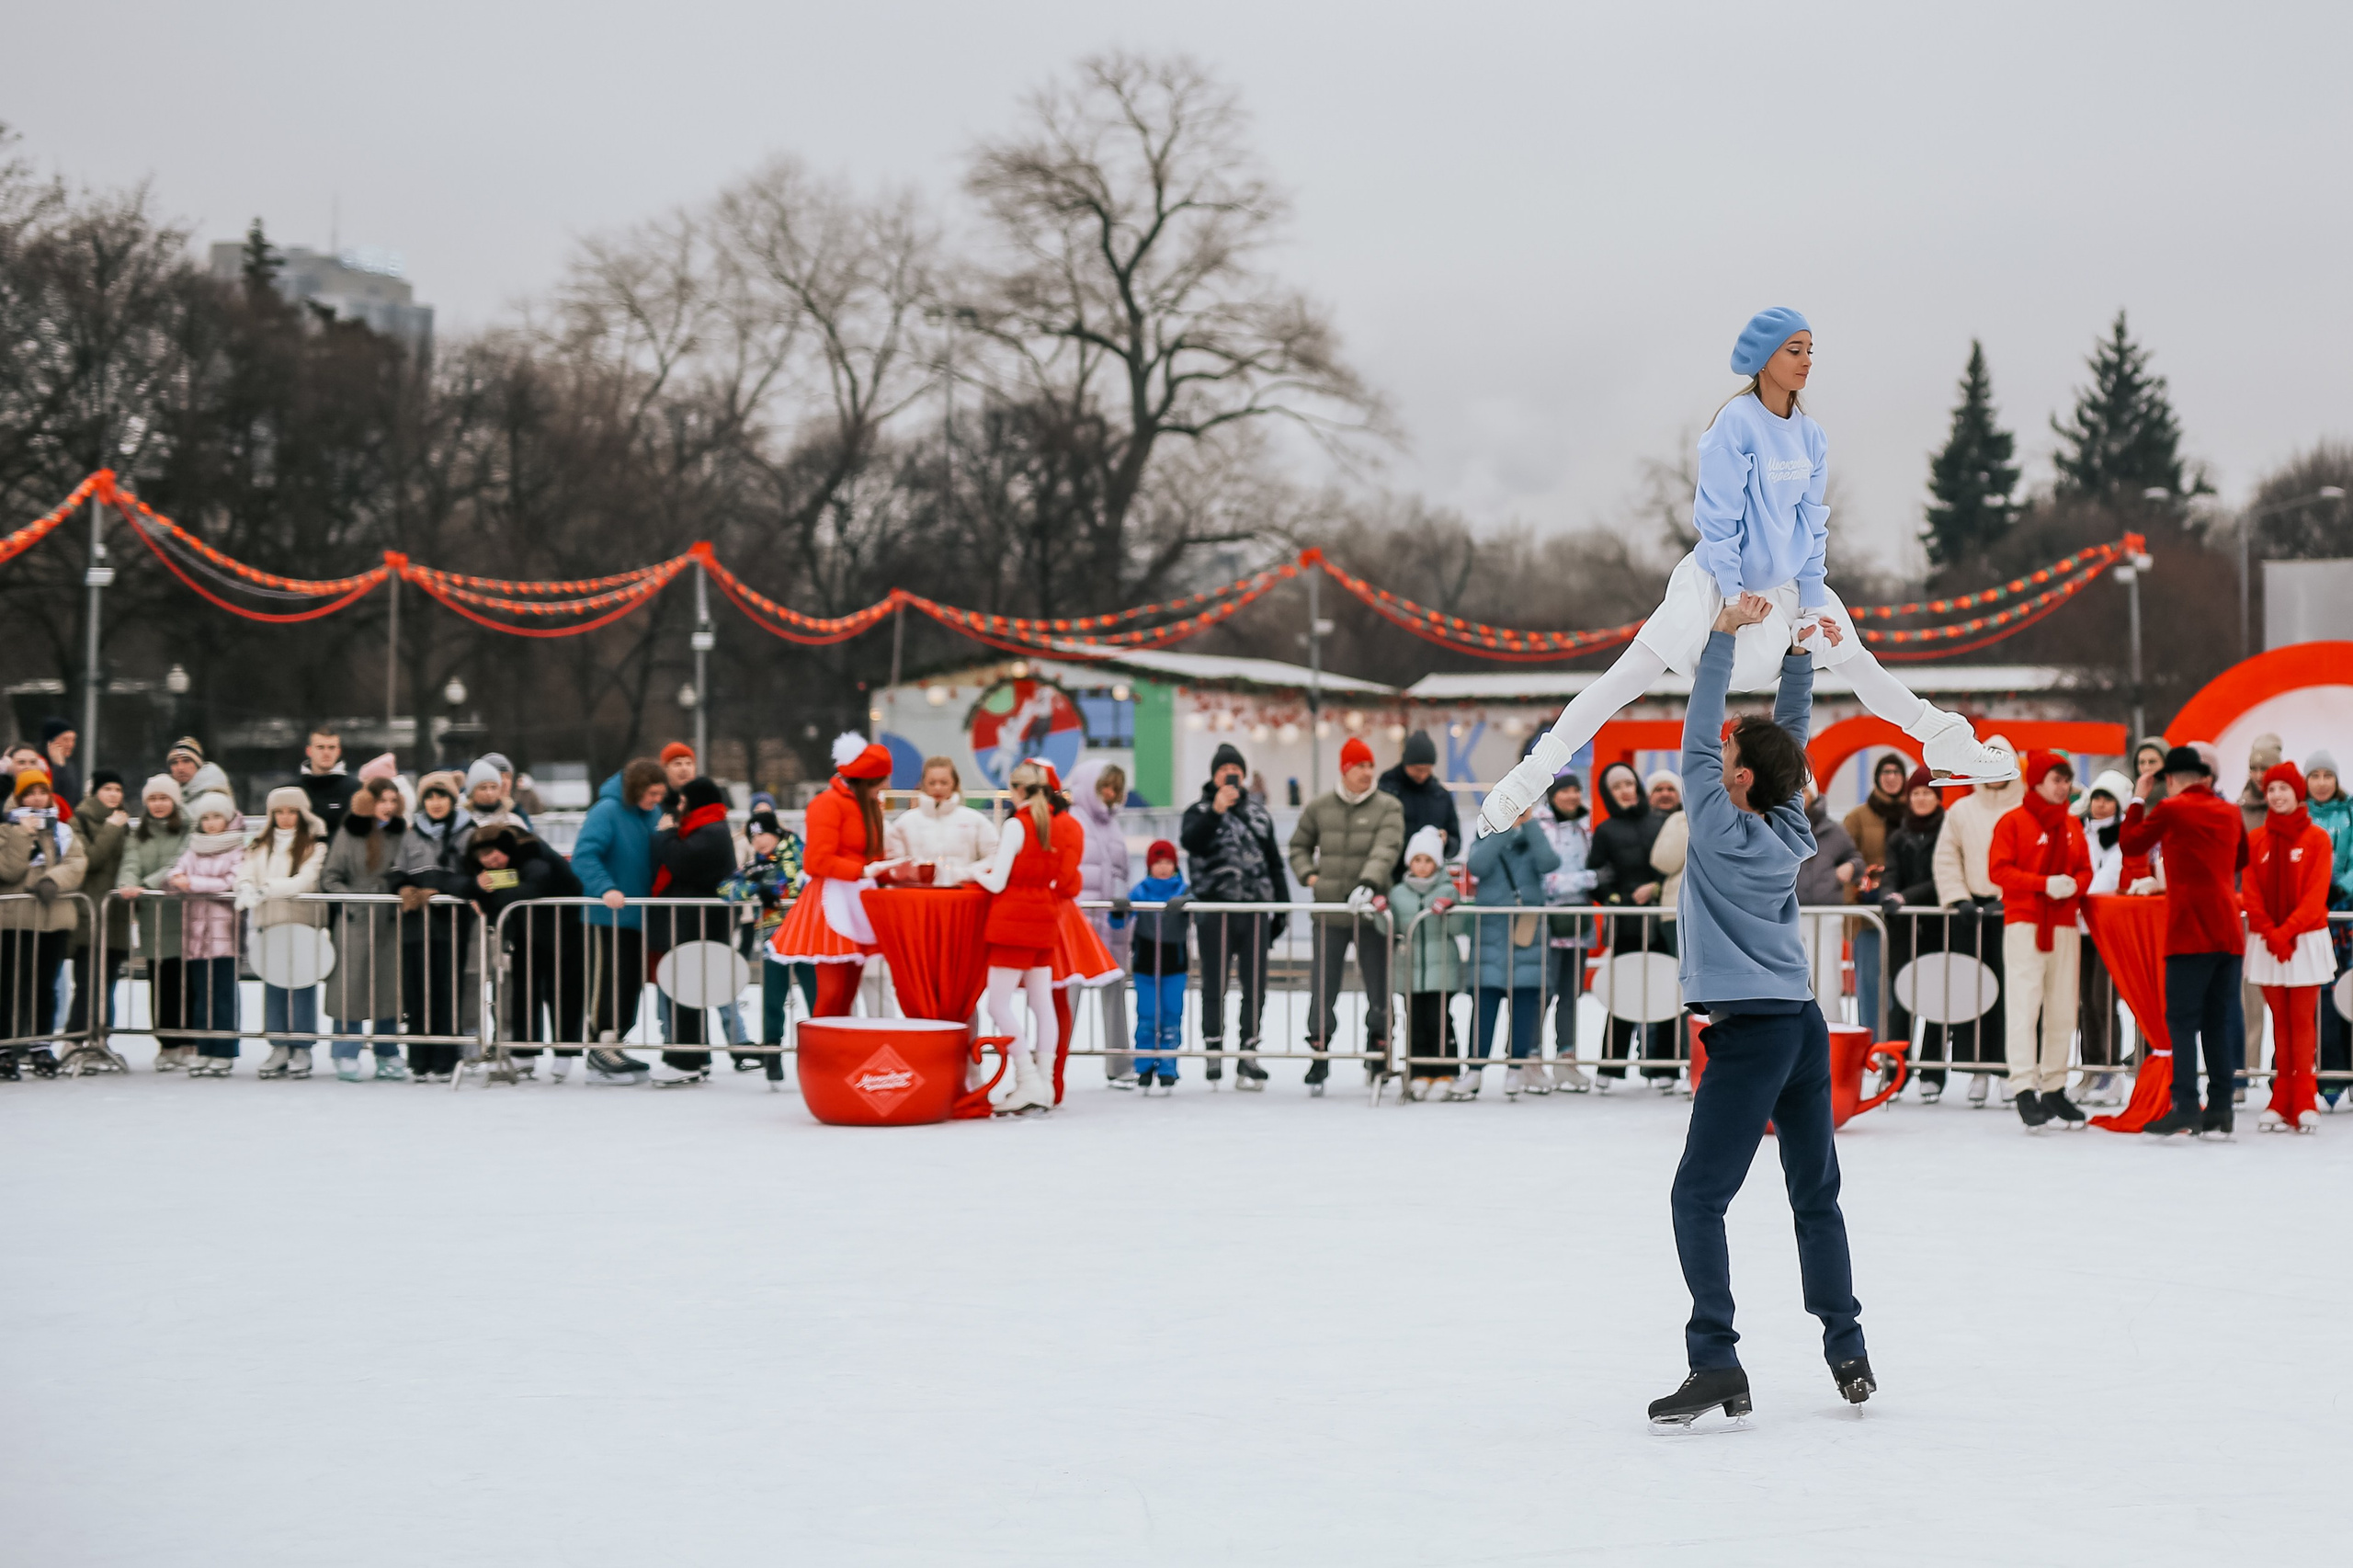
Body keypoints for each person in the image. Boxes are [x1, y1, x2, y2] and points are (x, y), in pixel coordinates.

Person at [1482, 309, 2012, 846]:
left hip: (1786, 588)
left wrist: (1809, 607)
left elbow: (1812, 524)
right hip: (1719, 581)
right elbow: (1718, 521)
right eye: (1795, 350)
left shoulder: (1811, 437)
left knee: (1860, 665)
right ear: (1763, 359)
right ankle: (1531, 774)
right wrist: (1732, 601)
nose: (1807, 361)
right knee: (1628, 676)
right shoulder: (1734, 424)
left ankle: (1945, 738)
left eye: (1810, 349)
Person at [1649, 591, 1873, 1428]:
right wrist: (1800, 659)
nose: (1717, 745)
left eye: (1727, 752)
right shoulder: (1785, 820)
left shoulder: (1713, 824)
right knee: (1814, 1194)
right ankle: (1847, 1346)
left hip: (1749, 1036)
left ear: (1734, 777)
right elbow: (1789, 745)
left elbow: (1704, 729)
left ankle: (1716, 1361)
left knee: (1697, 1198)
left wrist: (1718, 639)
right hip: (1800, 1028)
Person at [2121, 745, 2249, 1138]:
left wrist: (2140, 796)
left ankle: (2186, 1105)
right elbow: (2241, 859)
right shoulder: (2230, 812)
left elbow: (2130, 844)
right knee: (2217, 1019)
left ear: (2172, 779)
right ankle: (2222, 1107)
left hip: (2189, 930)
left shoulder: (2173, 809)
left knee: (2180, 1020)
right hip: (2227, 930)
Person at [1289, 737, 1405, 1093]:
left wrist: (1369, 883)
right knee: (1323, 985)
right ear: (1345, 769)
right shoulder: (1320, 806)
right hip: (1330, 910)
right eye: (1361, 767)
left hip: (1370, 911)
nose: (1368, 773)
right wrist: (1309, 874)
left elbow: (1387, 847)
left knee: (1378, 984)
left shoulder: (1389, 807)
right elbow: (1298, 845)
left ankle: (1379, 1048)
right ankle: (1319, 1051)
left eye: (1371, 766)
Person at [1986, 752, 2094, 1128]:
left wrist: (2075, 886)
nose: (2063, 786)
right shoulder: (2013, 821)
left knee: (2063, 1008)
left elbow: (2084, 868)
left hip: (2064, 924)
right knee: (2025, 1005)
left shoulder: (2071, 824)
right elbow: (1998, 870)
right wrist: (2044, 884)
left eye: (2067, 780)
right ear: (2036, 782)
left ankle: (2054, 1084)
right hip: (2026, 923)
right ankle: (2023, 1086)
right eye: (2056, 779)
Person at [972, 759, 1083, 1115]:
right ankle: (1045, 1082)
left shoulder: (1017, 825)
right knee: (1042, 1003)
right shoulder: (1052, 824)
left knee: (997, 1004)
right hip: (1043, 917)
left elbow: (998, 880)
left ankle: (1028, 1078)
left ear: (1016, 790)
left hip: (1013, 919)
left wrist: (974, 871)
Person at [1179, 742, 1289, 1088]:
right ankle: (1213, 1048)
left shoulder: (1258, 813)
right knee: (1215, 982)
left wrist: (1282, 908)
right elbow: (1191, 842)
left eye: (1237, 771)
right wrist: (1216, 810)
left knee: (1255, 984)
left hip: (1254, 909)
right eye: (1225, 771)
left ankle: (1249, 1052)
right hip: (1215, 909)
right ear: (1213, 776)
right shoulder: (1198, 810)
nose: (1232, 777)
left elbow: (1274, 861)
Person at [768, 734, 892, 1020]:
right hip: (832, 903)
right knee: (832, 992)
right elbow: (816, 861)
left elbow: (873, 854)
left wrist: (889, 871)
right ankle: (819, 1056)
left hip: (860, 902)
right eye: (879, 780)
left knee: (848, 991)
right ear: (863, 780)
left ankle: (841, 1054)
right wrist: (861, 871)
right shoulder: (826, 804)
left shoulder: (871, 805)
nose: (885, 786)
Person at [1931, 738, 2022, 1105]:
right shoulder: (1962, 810)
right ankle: (1977, 1069)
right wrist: (1958, 899)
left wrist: (2014, 897)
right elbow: (1947, 856)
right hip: (1973, 913)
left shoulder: (2023, 808)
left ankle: (2008, 1068)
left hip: (2014, 912)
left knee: (2012, 993)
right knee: (1975, 992)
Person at [2244, 761, 2331, 1133]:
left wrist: (2287, 931)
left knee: (2302, 1024)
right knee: (2280, 1023)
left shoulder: (2316, 839)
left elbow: (2316, 895)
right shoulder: (2256, 840)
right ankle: (2281, 1097)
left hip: (2304, 940)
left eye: (2284, 789)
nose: (2278, 796)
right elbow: (2251, 891)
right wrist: (2270, 931)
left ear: (2298, 793)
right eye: (2272, 789)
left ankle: (2305, 1096)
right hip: (2268, 942)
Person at [461, 820, 585, 1081]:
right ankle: (524, 1051)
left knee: (564, 992)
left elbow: (534, 886)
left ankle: (565, 1053)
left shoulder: (531, 852)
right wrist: (479, 888)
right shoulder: (501, 865)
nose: (492, 861)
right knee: (524, 990)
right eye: (484, 857)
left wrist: (487, 894)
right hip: (528, 931)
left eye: (494, 853)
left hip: (566, 928)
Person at [569, 757, 666, 1085]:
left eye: (659, 794)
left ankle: (617, 1039)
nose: (656, 800)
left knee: (629, 982)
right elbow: (584, 855)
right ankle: (599, 1043)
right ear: (637, 788)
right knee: (606, 979)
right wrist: (605, 888)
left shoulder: (652, 815)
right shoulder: (606, 811)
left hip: (638, 915)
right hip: (606, 915)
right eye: (651, 793)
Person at [1458, 798, 1561, 1099]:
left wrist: (1528, 823)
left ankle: (1515, 1069)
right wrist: (1503, 827)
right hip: (1491, 932)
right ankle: (1474, 1070)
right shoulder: (1486, 834)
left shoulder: (1534, 834)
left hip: (1526, 931)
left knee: (1525, 1001)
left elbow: (1550, 862)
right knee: (1485, 1001)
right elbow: (1477, 865)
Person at [1588, 760, 1677, 1087]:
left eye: (1629, 784)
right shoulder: (1606, 831)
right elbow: (1596, 875)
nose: (1625, 791)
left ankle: (1665, 1067)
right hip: (1627, 923)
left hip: (1663, 919)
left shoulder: (1660, 823)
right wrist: (1617, 898)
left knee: (1668, 989)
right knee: (1623, 991)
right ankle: (1610, 1067)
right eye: (1617, 787)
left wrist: (1653, 887)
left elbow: (1673, 865)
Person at [645, 775, 739, 1085]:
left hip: (696, 925)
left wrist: (667, 834)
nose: (679, 806)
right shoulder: (708, 828)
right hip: (693, 923)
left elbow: (681, 861)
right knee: (688, 990)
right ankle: (695, 1057)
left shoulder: (710, 831)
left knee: (686, 989)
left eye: (684, 800)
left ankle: (685, 1058)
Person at [317, 781, 410, 1082]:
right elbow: (331, 877)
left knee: (388, 988)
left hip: (390, 920)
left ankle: (388, 1051)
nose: (388, 806)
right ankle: (345, 1051)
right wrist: (354, 902)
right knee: (351, 987)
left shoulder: (401, 832)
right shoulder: (350, 832)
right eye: (383, 800)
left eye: (393, 800)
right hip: (355, 920)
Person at [236, 787, 328, 1080]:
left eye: (291, 811)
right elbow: (246, 872)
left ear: (302, 814)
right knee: (274, 984)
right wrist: (246, 887)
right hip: (270, 923)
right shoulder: (259, 844)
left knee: (302, 984)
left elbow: (306, 879)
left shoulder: (315, 844)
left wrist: (267, 889)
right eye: (279, 811)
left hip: (302, 923)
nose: (285, 818)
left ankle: (302, 1045)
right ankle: (278, 1045)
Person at [0, 769, 88, 1069]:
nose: (37, 798)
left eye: (42, 791)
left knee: (45, 984)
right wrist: (22, 835)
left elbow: (77, 863)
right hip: (16, 919)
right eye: (30, 792)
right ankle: (6, 1047)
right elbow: (9, 870)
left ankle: (41, 1045)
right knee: (13, 985)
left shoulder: (62, 830)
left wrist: (53, 879)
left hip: (53, 917)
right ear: (19, 797)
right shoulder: (6, 829)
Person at [392, 771, 472, 1081]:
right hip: (416, 927)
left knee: (446, 990)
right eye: (430, 796)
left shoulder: (467, 832)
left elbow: (477, 877)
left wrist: (444, 889)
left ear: (453, 799)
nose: (436, 803)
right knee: (416, 992)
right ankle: (418, 1059)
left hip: (451, 926)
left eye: (442, 796)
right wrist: (402, 888)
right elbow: (397, 871)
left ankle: (445, 1058)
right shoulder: (411, 834)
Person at [116, 776, 196, 1071]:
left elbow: (180, 861)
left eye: (164, 798)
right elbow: (130, 862)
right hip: (154, 917)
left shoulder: (189, 828)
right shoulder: (140, 833)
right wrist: (127, 883)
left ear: (174, 800)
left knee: (186, 980)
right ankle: (166, 1042)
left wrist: (146, 886)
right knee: (160, 980)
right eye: (153, 799)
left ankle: (189, 1039)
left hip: (183, 913)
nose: (158, 804)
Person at [720, 804, 813, 1056]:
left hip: (805, 935)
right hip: (773, 938)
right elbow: (726, 889)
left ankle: (825, 1046)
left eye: (762, 833)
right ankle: (772, 1050)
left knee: (815, 995)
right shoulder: (757, 866)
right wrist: (755, 888)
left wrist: (768, 885)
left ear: (776, 832)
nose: (757, 841)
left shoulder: (797, 850)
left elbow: (796, 880)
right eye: (753, 836)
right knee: (772, 997)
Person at [165, 790, 245, 1076]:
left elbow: (232, 883)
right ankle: (203, 1047)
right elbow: (175, 875)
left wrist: (193, 883)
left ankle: (224, 1050)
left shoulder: (237, 849)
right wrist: (176, 880)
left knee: (222, 994)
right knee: (201, 996)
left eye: (216, 817)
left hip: (224, 935)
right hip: (196, 936)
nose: (211, 823)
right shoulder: (193, 848)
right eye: (206, 818)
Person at [1069, 760, 1140, 1086]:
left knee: (1115, 992)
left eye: (1116, 787)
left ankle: (1120, 1064)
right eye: (1105, 787)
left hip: (1111, 924)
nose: (1111, 794)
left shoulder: (1112, 825)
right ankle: (1053, 1064)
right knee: (1067, 996)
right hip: (1078, 924)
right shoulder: (1073, 821)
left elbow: (1119, 873)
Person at [1878, 767, 1948, 1096]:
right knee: (1901, 997)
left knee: (1936, 1000)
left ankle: (1932, 1071)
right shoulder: (1899, 835)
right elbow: (1890, 873)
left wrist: (1907, 897)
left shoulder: (1948, 830)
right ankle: (1896, 1068)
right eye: (1916, 793)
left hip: (1938, 925)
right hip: (1904, 928)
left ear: (1938, 798)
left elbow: (1943, 877)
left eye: (1927, 793)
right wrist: (1889, 894)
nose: (1921, 799)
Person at [2072, 770, 2137, 1104]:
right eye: (2097, 797)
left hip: (2107, 930)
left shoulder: (2124, 837)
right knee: (2085, 1003)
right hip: (2079, 929)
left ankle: (2111, 1072)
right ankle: (2091, 1067)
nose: (2100, 805)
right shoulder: (2079, 832)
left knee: (2103, 1000)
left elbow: (2109, 875)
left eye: (2107, 799)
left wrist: (2082, 899)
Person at [1389, 824, 1464, 1098]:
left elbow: (1459, 928)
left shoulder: (1448, 890)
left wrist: (1450, 910)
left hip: (1440, 968)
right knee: (1415, 1021)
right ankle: (1418, 1070)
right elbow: (1390, 928)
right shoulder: (1398, 893)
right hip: (1410, 969)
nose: (1422, 866)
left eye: (1428, 860)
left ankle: (1446, 1069)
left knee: (1440, 1020)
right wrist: (1380, 911)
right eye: (1417, 860)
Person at [1537, 773, 1598, 1091]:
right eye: (1565, 791)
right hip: (1547, 922)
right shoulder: (1541, 829)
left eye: (1576, 790)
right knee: (1543, 992)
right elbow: (1544, 879)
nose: (1572, 796)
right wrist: (1588, 879)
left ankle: (1566, 1057)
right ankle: (1531, 1057)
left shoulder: (1585, 828)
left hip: (1578, 922)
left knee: (1570, 994)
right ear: (1553, 795)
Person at [1843, 754, 1912, 1038]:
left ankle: (1898, 1046)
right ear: (1877, 778)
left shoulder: (1914, 813)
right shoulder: (1858, 817)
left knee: (1905, 983)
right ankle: (1870, 1044)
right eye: (1886, 771)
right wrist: (1852, 905)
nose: (1891, 777)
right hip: (1869, 912)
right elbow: (1846, 859)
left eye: (1896, 771)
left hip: (1907, 911)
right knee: (1870, 982)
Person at [65, 770, 131, 1047]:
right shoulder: (78, 819)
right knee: (87, 981)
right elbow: (89, 859)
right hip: (89, 912)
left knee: (108, 982)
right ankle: (75, 1037)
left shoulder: (122, 822)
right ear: (94, 792)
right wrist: (113, 829)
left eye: (118, 789)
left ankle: (101, 1038)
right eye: (108, 789)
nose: (114, 795)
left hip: (115, 913)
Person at [2303, 750, 2353, 1106]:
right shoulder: (2299, 814)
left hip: (2347, 914)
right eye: (2315, 775)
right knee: (2320, 996)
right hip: (2313, 916)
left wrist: (2342, 887)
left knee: (2350, 995)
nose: (2321, 782)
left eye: (2327, 775)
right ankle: (2329, 1073)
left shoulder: (2350, 812)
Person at [1795, 784, 1863, 1017]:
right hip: (1788, 915)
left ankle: (1832, 1033)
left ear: (1813, 796)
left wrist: (1851, 867)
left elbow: (1856, 859)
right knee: (1789, 983)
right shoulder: (1776, 826)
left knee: (1827, 980)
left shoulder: (1834, 831)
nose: (1799, 796)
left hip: (1825, 915)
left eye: (1803, 790)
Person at [1128, 840, 1189, 1094]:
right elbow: (1119, 921)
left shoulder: (1184, 891)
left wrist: (1186, 904)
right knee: (1147, 1015)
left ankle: (1168, 1067)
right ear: (1149, 866)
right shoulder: (1140, 891)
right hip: (1145, 962)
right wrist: (1120, 909)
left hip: (1174, 963)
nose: (1163, 868)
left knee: (1171, 1015)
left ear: (1175, 865)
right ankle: (1143, 1066)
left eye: (1167, 863)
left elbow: (1201, 910)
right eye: (1157, 863)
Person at [882, 756, 993, 883]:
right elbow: (894, 864)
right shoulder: (904, 823)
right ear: (923, 784)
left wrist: (963, 874)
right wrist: (918, 874)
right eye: (932, 783)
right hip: (918, 895)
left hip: (964, 893)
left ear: (954, 783)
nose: (938, 788)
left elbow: (994, 856)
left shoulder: (976, 820)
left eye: (944, 782)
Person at [1378, 730, 1461, 883]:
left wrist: (1446, 842)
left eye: (1427, 769)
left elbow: (1456, 840)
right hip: (1391, 876)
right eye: (1417, 770)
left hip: (1430, 882)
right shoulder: (1387, 791)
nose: (1422, 775)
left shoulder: (1440, 796)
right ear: (1406, 764)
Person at [296, 727, 360, 839]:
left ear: (338, 751)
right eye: (320, 747)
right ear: (309, 751)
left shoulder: (355, 789)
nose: (326, 753)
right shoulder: (292, 789)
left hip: (341, 854)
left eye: (331, 748)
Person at [41, 718, 81, 809]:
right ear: (50, 742)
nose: (70, 745)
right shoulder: (38, 762)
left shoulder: (69, 766)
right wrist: (59, 768)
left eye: (73, 740)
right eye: (65, 739)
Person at [659, 741, 696, 813]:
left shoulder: (705, 800)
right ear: (665, 769)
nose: (684, 769)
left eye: (689, 763)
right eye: (677, 764)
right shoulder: (656, 801)